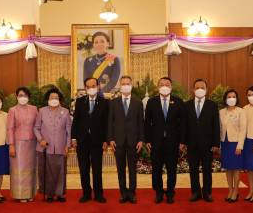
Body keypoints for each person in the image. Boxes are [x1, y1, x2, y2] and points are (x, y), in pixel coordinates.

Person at [144, 76, 186, 204]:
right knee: (156, 169)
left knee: (171, 169)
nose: (164, 87)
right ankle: (158, 193)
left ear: (171, 87)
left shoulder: (178, 102)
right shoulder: (152, 102)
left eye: (167, 84)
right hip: (156, 142)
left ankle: (170, 193)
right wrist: (147, 140)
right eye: (161, 84)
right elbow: (147, 123)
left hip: (173, 142)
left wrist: (182, 141)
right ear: (158, 87)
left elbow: (183, 124)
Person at [71, 77, 109, 203]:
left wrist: (106, 140)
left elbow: (106, 123)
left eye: (93, 86)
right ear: (85, 88)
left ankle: (98, 194)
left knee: (97, 169)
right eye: (88, 86)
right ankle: (86, 193)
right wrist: (74, 138)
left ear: (98, 87)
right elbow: (75, 121)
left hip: (98, 141)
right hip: (82, 140)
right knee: (84, 169)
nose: (91, 88)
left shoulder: (104, 102)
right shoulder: (80, 101)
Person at [108, 75, 144, 203]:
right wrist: (111, 138)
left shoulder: (138, 103)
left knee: (132, 169)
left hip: (134, 141)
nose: (125, 86)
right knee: (120, 169)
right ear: (120, 86)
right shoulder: (113, 103)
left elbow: (141, 123)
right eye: (123, 84)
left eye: (127, 83)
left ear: (131, 85)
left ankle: (132, 193)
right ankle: (123, 193)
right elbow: (110, 122)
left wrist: (141, 140)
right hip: (118, 141)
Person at [184, 78, 220, 202]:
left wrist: (216, 143)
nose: (200, 90)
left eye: (202, 88)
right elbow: (184, 125)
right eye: (197, 88)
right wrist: (183, 142)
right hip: (191, 144)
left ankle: (207, 192)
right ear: (193, 89)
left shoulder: (212, 105)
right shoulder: (187, 105)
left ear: (206, 90)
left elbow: (216, 126)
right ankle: (195, 192)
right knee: (193, 170)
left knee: (207, 170)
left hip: (208, 144)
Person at [34, 88, 72, 203]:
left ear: (59, 99)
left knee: (60, 171)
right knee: (47, 172)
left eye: (56, 98)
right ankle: (49, 194)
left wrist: (67, 146)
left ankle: (60, 194)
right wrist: (40, 139)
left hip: (61, 146)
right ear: (48, 99)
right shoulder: (42, 111)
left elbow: (68, 130)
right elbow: (36, 128)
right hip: (45, 147)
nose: (54, 99)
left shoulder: (65, 111)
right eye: (52, 98)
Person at [7, 87, 39, 202]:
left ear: (28, 97)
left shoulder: (34, 109)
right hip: (18, 144)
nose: (23, 97)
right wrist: (11, 145)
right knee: (20, 169)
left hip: (33, 143)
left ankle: (30, 193)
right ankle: (20, 194)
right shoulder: (12, 110)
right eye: (20, 95)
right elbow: (10, 128)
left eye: (25, 95)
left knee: (31, 169)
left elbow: (38, 126)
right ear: (17, 96)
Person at [219, 89, 246, 202]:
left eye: (233, 96)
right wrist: (219, 145)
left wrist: (240, 145)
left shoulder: (241, 111)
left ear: (237, 98)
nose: (231, 99)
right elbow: (220, 129)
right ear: (225, 99)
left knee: (235, 168)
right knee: (228, 168)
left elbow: (243, 130)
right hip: (225, 143)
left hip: (235, 143)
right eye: (229, 97)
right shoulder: (221, 112)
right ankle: (230, 190)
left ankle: (236, 191)